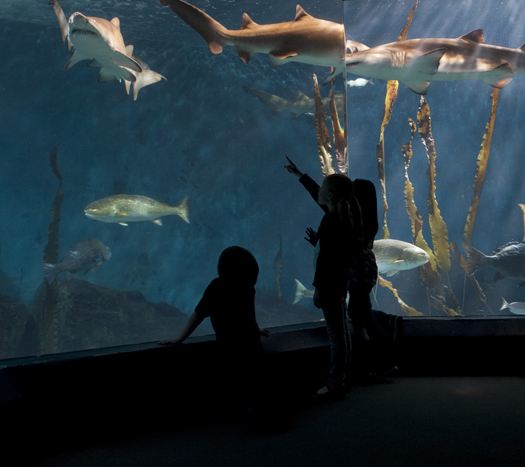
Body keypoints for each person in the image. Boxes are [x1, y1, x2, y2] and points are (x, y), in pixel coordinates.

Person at [285, 158, 399, 381]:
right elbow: (323, 198)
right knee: (357, 312)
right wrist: (301, 176)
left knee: (360, 313)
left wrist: (324, 242)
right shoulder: (359, 219)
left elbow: (343, 246)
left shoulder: (353, 221)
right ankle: (375, 356)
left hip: (359, 274)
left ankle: (386, 353)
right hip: (362, 274)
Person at [160, 246, 269, 416]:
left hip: (229, 343)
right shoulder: (247, 287)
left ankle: (251, 409)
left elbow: (199, 314)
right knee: (255, 377)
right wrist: (253, 330)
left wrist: (180, 338)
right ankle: (260, 408)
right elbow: (247, 315)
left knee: (238, 377)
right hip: (250, 340)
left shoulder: (217, 286)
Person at [286, 159, 361, 400]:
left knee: (336, 335)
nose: (318, 191)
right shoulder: (342, 215)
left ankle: (334, 383)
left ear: (329, 195)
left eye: (322, 189)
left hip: (330, 284)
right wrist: (300, 176)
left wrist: (317, 288)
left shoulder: (330, 220)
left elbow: (327, 260)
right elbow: (337, 252)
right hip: (340, 282)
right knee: (343, 333)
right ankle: (343, 379)